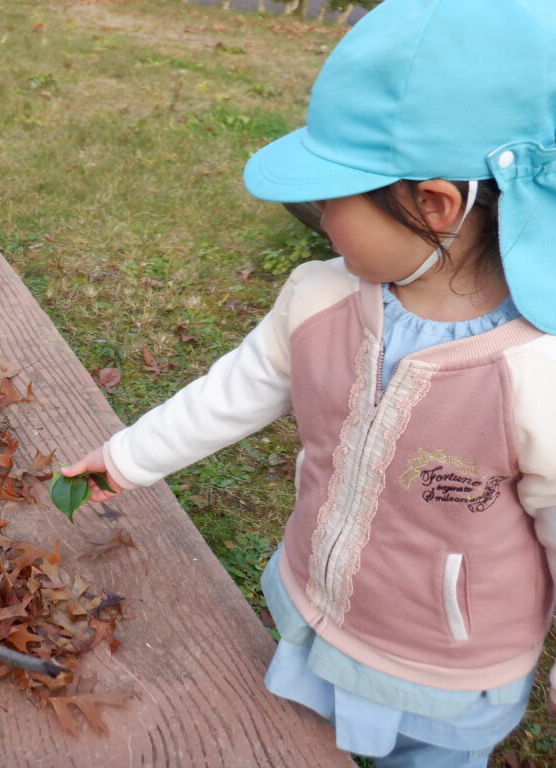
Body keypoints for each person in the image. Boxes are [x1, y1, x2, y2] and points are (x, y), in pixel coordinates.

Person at [63, 0, 556, 765]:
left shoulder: (535, 372)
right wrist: (128, 457)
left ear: (434, 204)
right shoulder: (320, 297)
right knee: (298, 741)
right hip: (315, 607)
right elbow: (235, 389)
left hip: (445, 673)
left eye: (332, 201)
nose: (320, 218)